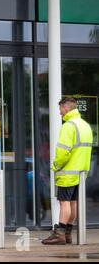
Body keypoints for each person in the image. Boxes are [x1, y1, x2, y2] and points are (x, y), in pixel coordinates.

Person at [42, 97, 93, 245]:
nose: (59, 113)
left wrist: (56, 166)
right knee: (73, 203)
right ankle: (68, 234)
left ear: (66, 108)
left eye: (60, 110)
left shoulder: (68, 126)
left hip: (67, 172)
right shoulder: (85, 126)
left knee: (64, 203)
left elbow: (63, 152)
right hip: (80, 172)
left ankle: (59, 234)